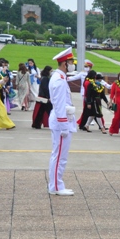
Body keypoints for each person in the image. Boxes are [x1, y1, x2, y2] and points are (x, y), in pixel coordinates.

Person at [48, 47, 78, 196]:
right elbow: (59, 106)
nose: (73, 64)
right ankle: (56, 187)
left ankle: (57, 184)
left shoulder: (59, 78)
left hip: (62, 120)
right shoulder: (59, 80)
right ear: (65, 63)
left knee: (60, 155)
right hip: (61, 122)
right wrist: (64, 126)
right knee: (60, 156)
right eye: (71, 62)